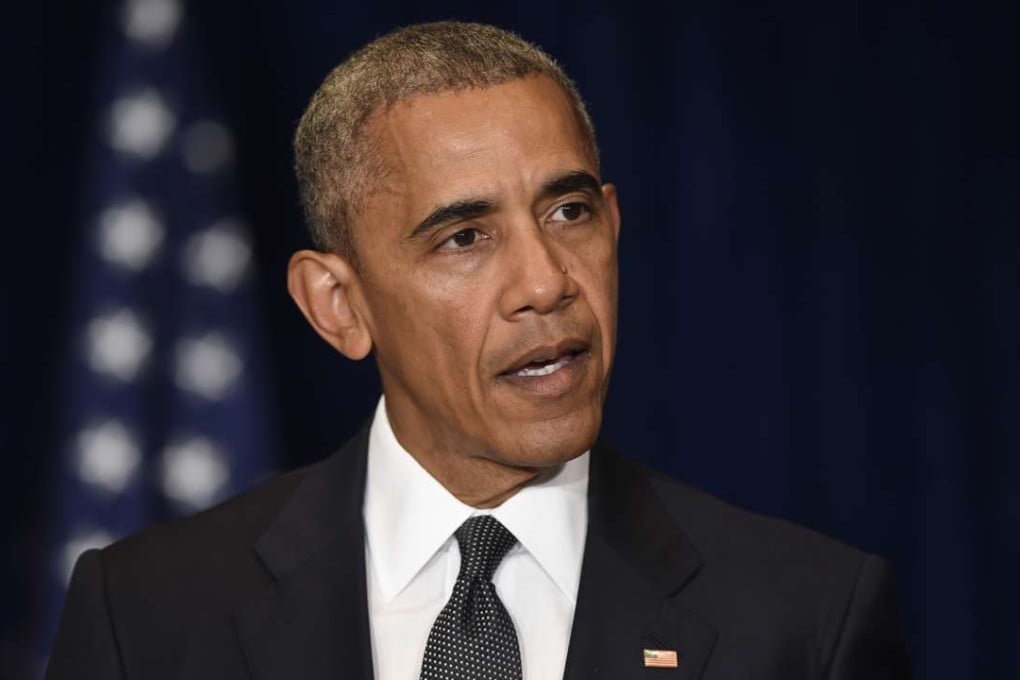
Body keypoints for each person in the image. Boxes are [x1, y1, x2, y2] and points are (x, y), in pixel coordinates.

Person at [47, 21, 911, 680]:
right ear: (339, 306)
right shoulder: (148, 616)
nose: (547, 281)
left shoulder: (807, 621)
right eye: (464, 237)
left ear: (613, 224)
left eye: (569, 212)